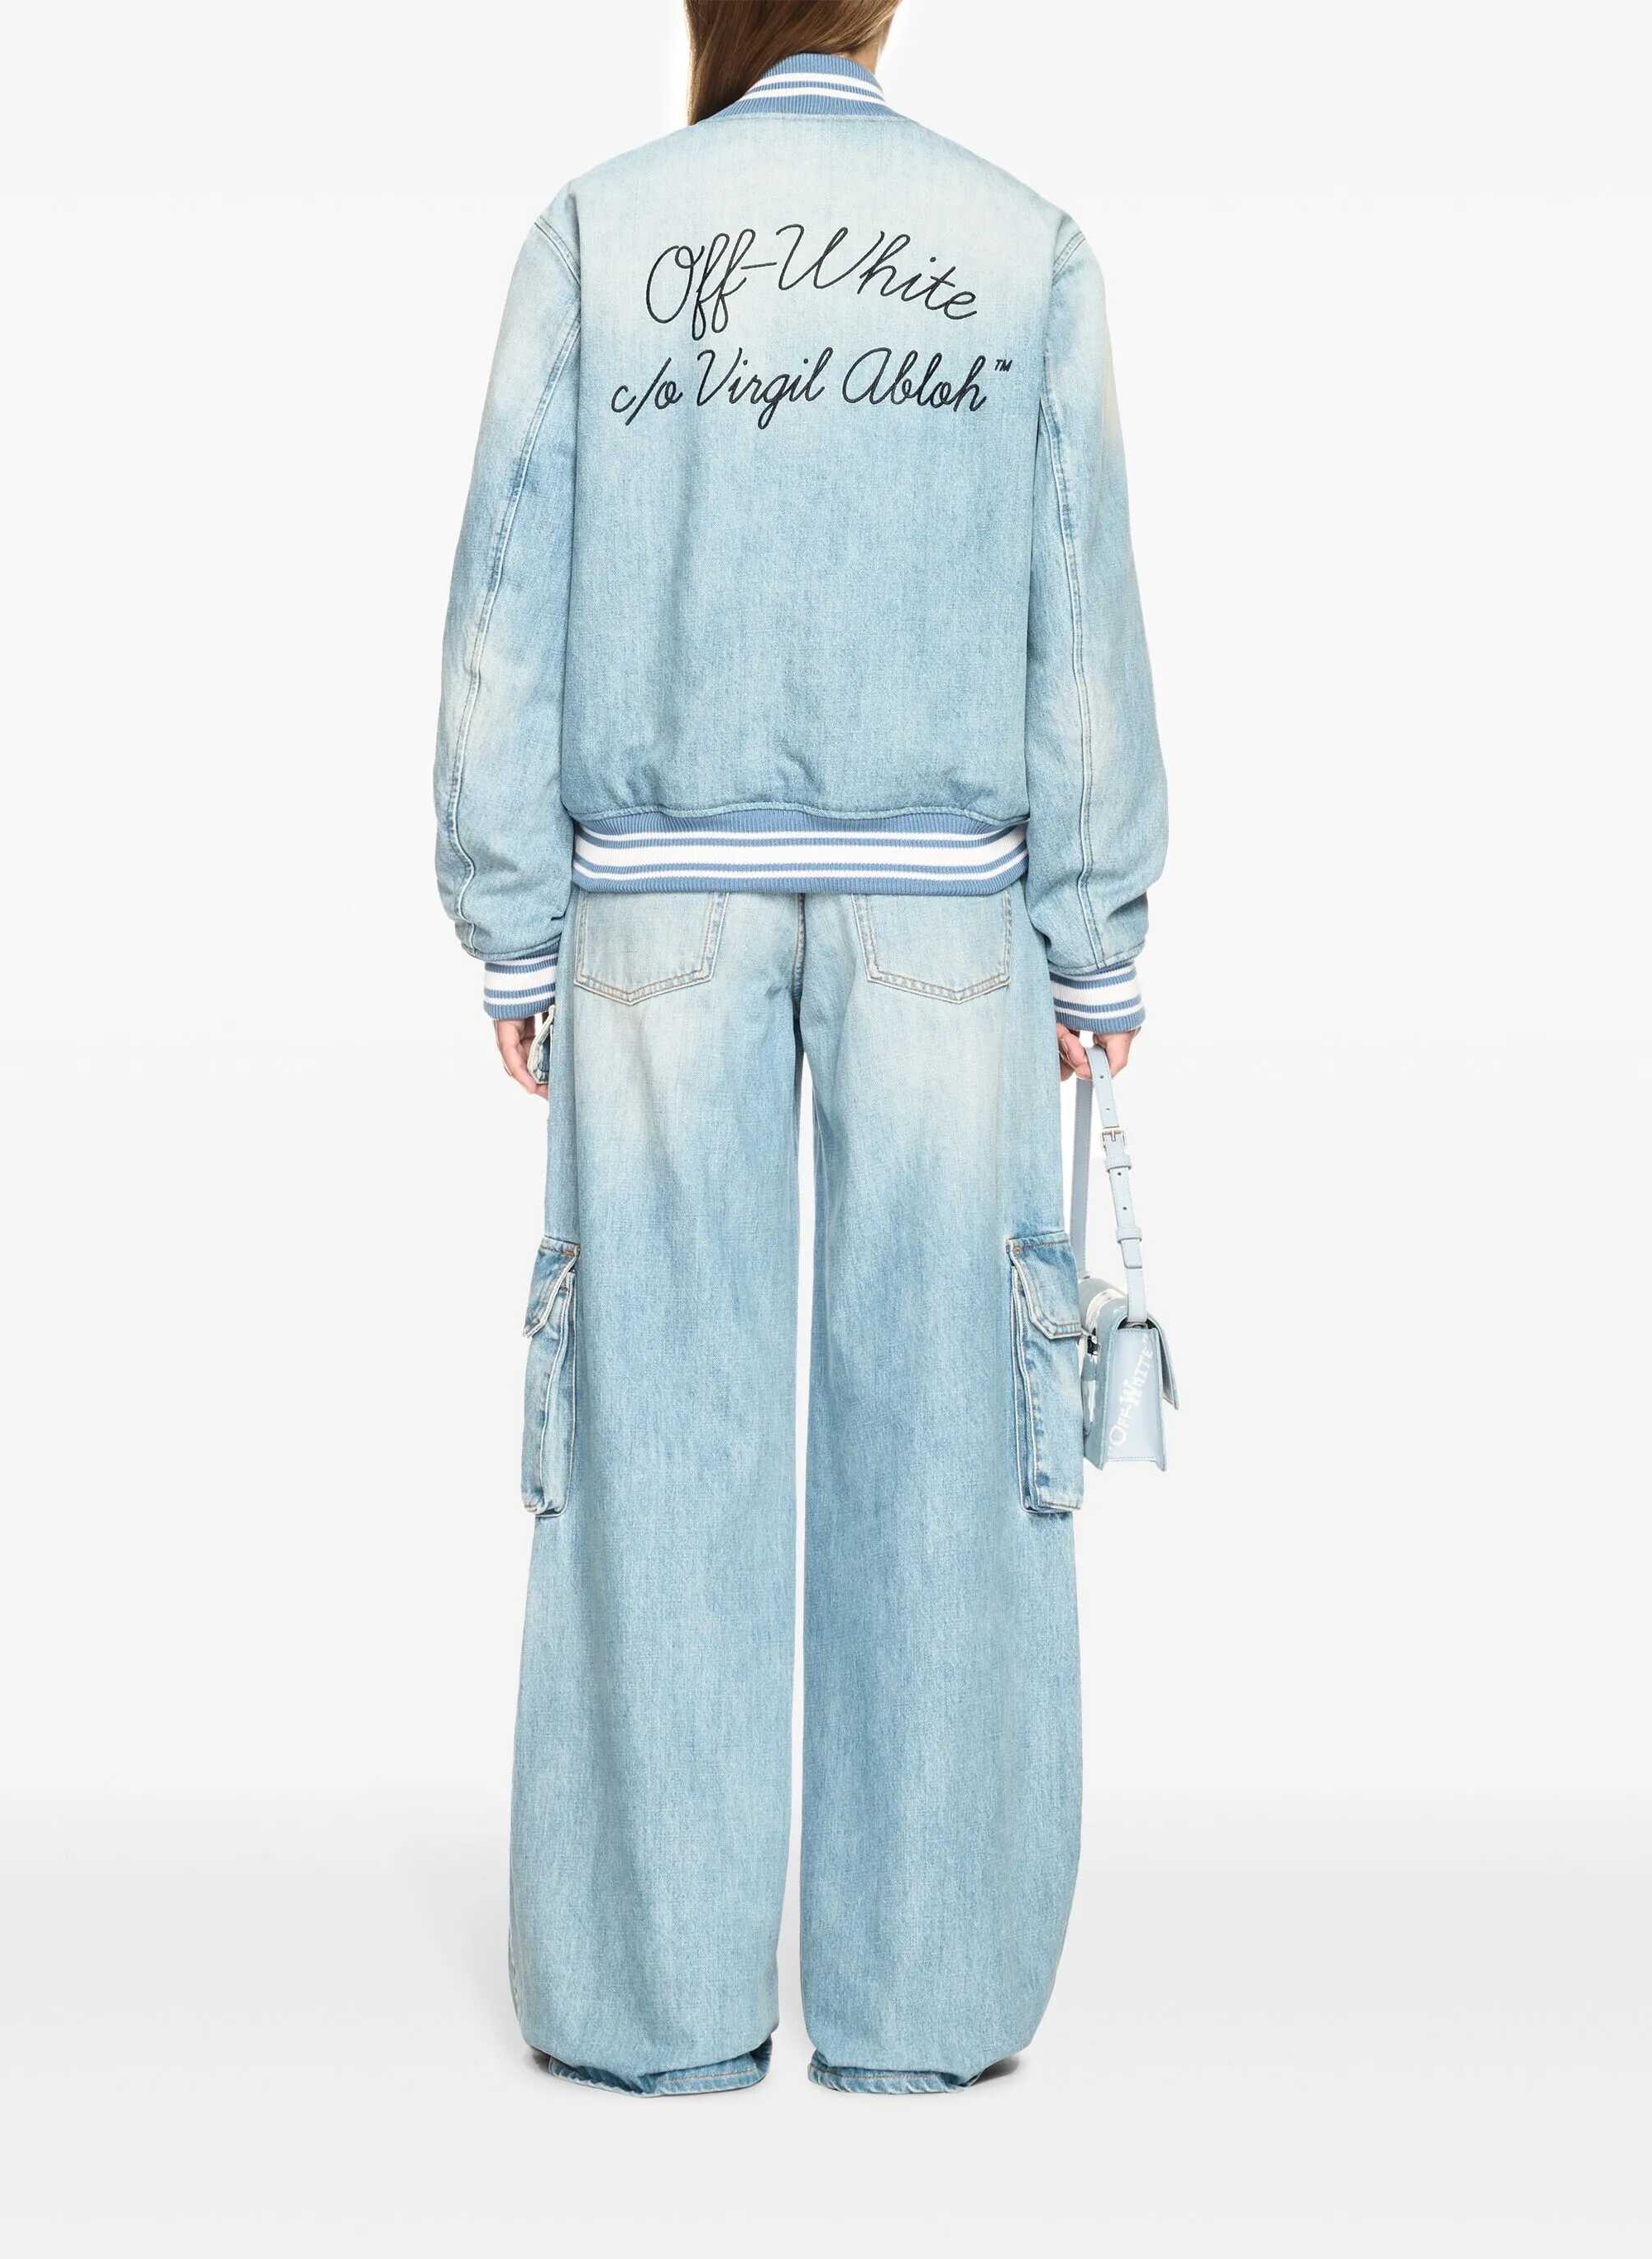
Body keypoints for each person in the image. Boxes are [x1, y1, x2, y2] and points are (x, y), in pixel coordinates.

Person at [433, 0, 1167, 2096]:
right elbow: (1078, 610)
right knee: (947, 1447)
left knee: (652, 1438)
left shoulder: (599, 232)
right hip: (949, 918)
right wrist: (1092, 947)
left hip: (651, 910)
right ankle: (926, 2012)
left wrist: (511, 918)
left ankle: (647, 2009)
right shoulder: (1023, 248)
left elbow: (506, 590)